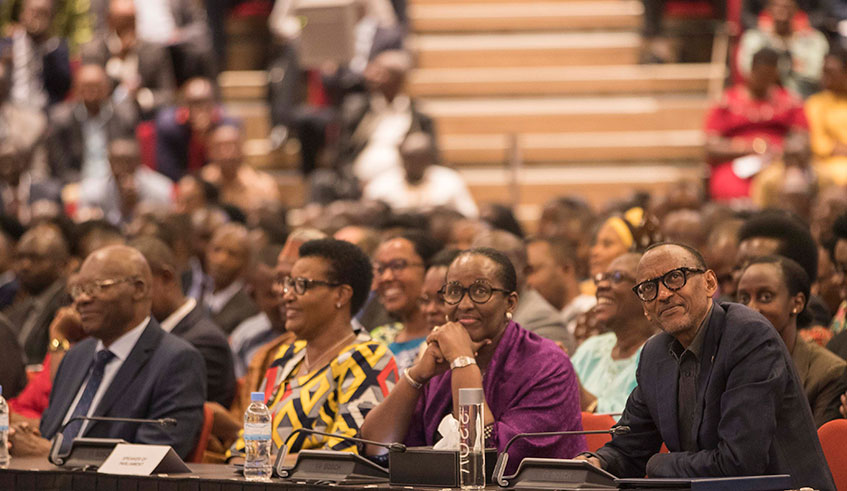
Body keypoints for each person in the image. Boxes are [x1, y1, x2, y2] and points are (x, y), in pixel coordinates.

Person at [578, 242, 834, 490]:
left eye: (675, 278)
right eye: (649, 288)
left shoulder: (749, 336)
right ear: (645, 308)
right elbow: (630, 446)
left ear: (710, 283)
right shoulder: (655, 355)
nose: (664, 294)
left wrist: (657, 463)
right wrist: (594, 463)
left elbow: (739, 464)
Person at [360, 248, 585, 474]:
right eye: (454, 291)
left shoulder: (547, 364)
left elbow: (484, 457)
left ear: (510, 303)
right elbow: (375, 447)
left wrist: (463, 362)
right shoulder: (440, 362)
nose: (464, 304)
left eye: (480, 291)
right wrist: (417, 375)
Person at [9, 245, 205, 459]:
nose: (81, 299)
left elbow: (154, 456)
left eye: (96, 287)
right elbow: (50, 431)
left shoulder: (177, 361)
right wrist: (26, 437)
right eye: (79, 290)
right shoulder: (77, 355)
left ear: (138, 289)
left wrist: (52, 454)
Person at [228, 239, 397, 458]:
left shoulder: (369, 359)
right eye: (289, 284)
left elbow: (345, 454)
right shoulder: (288, 357)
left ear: (341, 295)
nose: (287, 295)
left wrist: (263, 463)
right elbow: (244, 446)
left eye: (301, 285)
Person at [737, 255, 847, 426]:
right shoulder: (728, 362)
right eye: (744, 299)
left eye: (765, 297)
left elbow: (817, 449)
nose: (751, 308)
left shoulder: (827, 373)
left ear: (797, 302)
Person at [132, 236, 236, 408]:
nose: (131, 296)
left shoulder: (204, 342)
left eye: (138, 286)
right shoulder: (145, 331)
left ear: (166, 278)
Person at [704, 48, 809, 201]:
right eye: (761, 74)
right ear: (751, 70)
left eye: (769, 74)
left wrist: (781, 151)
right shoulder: (727, 101)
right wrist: (751, 149)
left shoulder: (790, 100)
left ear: (775, 74)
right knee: (732, 191)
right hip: (735, 164)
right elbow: (710, 147)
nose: (764, 79)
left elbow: (802, 139)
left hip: (779, 162)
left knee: (790, 186)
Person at [571, 253, 655, 415]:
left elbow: (641, 428)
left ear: (647, 292)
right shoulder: (591, 349)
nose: (601, 285)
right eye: (601, 278)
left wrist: (584, 398)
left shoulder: (661, 355)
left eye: (617, 277)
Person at [473, 229, 575, 352]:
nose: (487, 277)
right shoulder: (471, 309)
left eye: (500, 269)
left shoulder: (542, 320)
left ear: (525, 271)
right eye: (478, 269)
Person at [80, 0, 177, 120]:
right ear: (109, 21)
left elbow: (168, 95)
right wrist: (118, 60)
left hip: (145, 112)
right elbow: (90, 95)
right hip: (108, 118)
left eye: (132, 21)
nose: (128, 27)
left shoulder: (153, 51)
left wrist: (142, 96)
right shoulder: (94, 51)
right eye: (122, 22)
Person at [46, 63, 138, 182]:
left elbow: (130, 159)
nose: (92, 93)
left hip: (115, 182)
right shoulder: (60, 120)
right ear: (75, 89)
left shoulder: (124, 116)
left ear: (107, 88)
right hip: (78, 182)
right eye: (86, 87)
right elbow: (60, 168)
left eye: (96, 87)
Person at [363, 132, 479, 218]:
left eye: (421, 158)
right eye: (410, 158)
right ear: (402, 157)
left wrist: (443, 212)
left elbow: (469, 214)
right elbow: (367, 214)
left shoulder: (449, 180)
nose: (414, 163)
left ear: (430, 158)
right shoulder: (381, 183)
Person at [370, 231, 441, 371]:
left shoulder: (445, 343)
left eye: (397, 266)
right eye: (380, 269)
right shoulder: (379, 337)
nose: (386, 277)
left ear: (429, 270)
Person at [3, 223, 71, 365]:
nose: (25, 266)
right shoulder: (19, 310)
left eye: (35, 258)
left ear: (62, 265)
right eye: (20, 257)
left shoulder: (68, 305)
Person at [737, 0, 828, 99]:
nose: (782, 10)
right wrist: (794, 66)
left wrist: (774, 70)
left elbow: (816, 73)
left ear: (796, 9)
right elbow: (747, 70)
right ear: (768, 9)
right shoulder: (754, 38)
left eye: (787, 6)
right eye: (777, 5)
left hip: (804, 96)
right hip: (765, 97)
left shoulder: (813, 39)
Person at [77, 138, 173, 225]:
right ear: (109, 163)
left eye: (128, 162)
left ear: (138, 162)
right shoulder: (91, 191)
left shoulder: (160, 189)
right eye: (117, 162)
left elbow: (166, 226)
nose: (123, 169)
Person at [200, 123, 281, 218]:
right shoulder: (200, 184)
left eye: (232, 145)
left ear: (242, 148)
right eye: (220, 147)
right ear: (210, 151)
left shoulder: (264, 186)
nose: (227, 153)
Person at [5, 0, 71, 111]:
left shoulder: (56, 48)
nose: (36, 17)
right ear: (22, 14)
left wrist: (43, 41)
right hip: (10, 109)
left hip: (43, 112)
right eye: (32, 12)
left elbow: (63, 85)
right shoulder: (8, 43)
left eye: (43, 13)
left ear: (51, 18)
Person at [526, 237, 596, 338]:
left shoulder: (594, 313)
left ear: (566, 269)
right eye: (526, 273)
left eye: (533, 270)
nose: (528, 281)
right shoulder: (536, 323)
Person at [203, 223, 259, 334]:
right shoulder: (197, 296)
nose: (221, 260)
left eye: (232, 254)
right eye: (216, 249)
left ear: (246, 262)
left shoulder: (249, 309)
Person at [805, 48, 847, 187]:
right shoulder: (815, 103)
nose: (825, 77)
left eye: (831, 73)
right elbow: (817, 142)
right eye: (824, 72)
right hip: (829, 163)